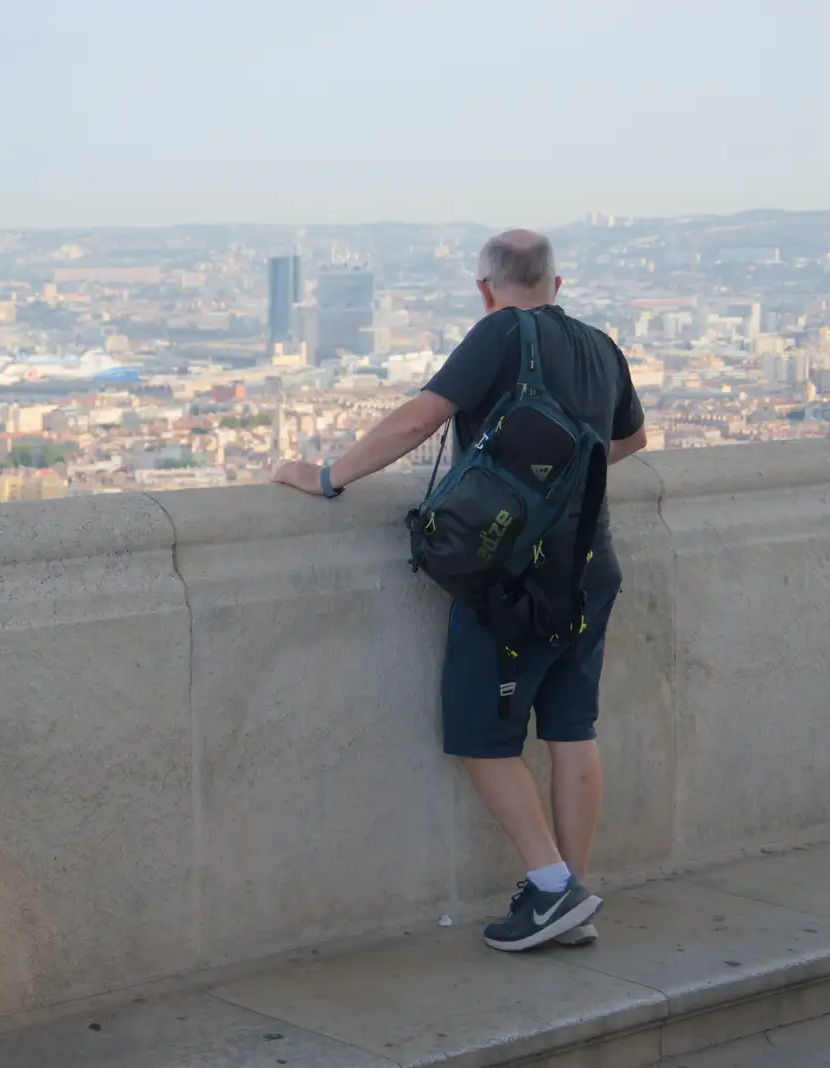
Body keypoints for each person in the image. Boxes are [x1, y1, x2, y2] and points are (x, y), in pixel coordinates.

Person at [273, 229, 647, 952]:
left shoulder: (500, 333)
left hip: (511, 576)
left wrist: (325, 478)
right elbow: (629, 442)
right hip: (590, 568)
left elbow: (420, 419)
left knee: (481, 734)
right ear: (557, 285)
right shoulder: (602, 346)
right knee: (572, 728)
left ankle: (549, 888)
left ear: (485, 289)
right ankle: (570, 896)